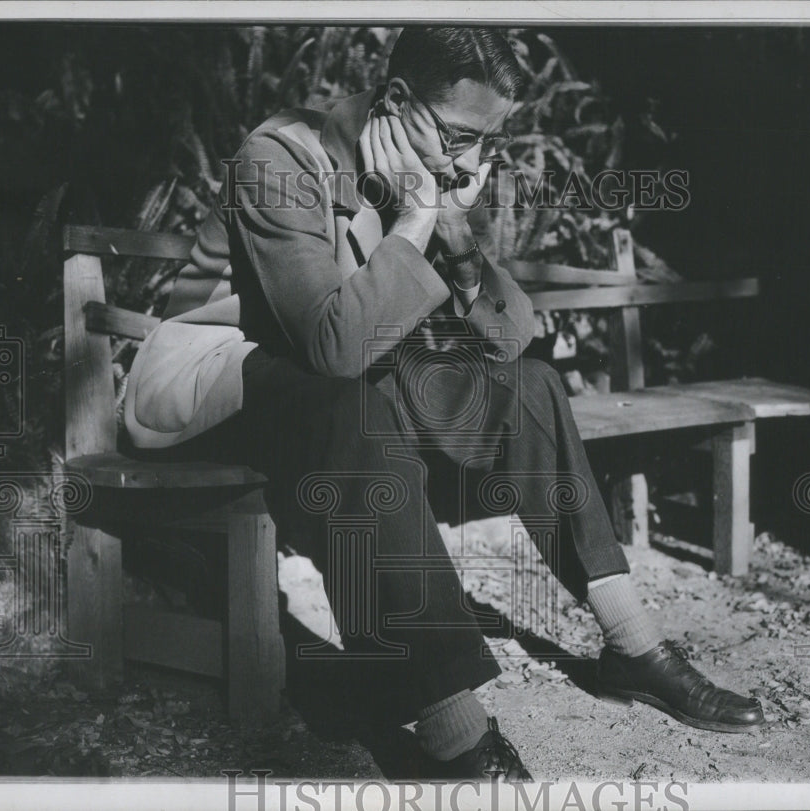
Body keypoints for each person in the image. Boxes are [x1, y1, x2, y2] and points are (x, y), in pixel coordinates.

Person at [124, 27, 764, 781]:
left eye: (491, 143)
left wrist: (452, 225)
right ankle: (451, 729)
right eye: (463, 138)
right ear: (396, 101)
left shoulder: (427, 162)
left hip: (333, 385)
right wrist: (416, 219)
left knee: (530, 388)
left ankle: (632, 643)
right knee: (349, 408)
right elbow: (332, 347)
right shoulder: (281, 159)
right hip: (221, 390)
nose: (475, 162)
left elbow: (512, 338)